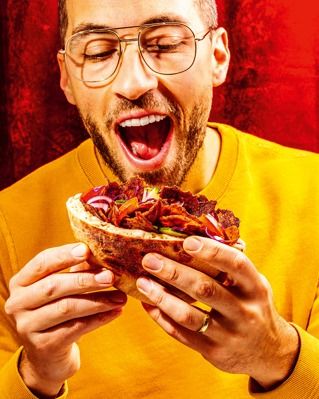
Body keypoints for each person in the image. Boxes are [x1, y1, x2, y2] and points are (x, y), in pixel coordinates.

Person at [0, 0, 318, 398]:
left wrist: (278, 355)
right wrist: (35, 373)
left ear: (217, 57)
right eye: (99, 51)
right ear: (67, 78)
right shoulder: (7, 223)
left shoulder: (313, 195)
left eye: (165, 45)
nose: (134, 83)